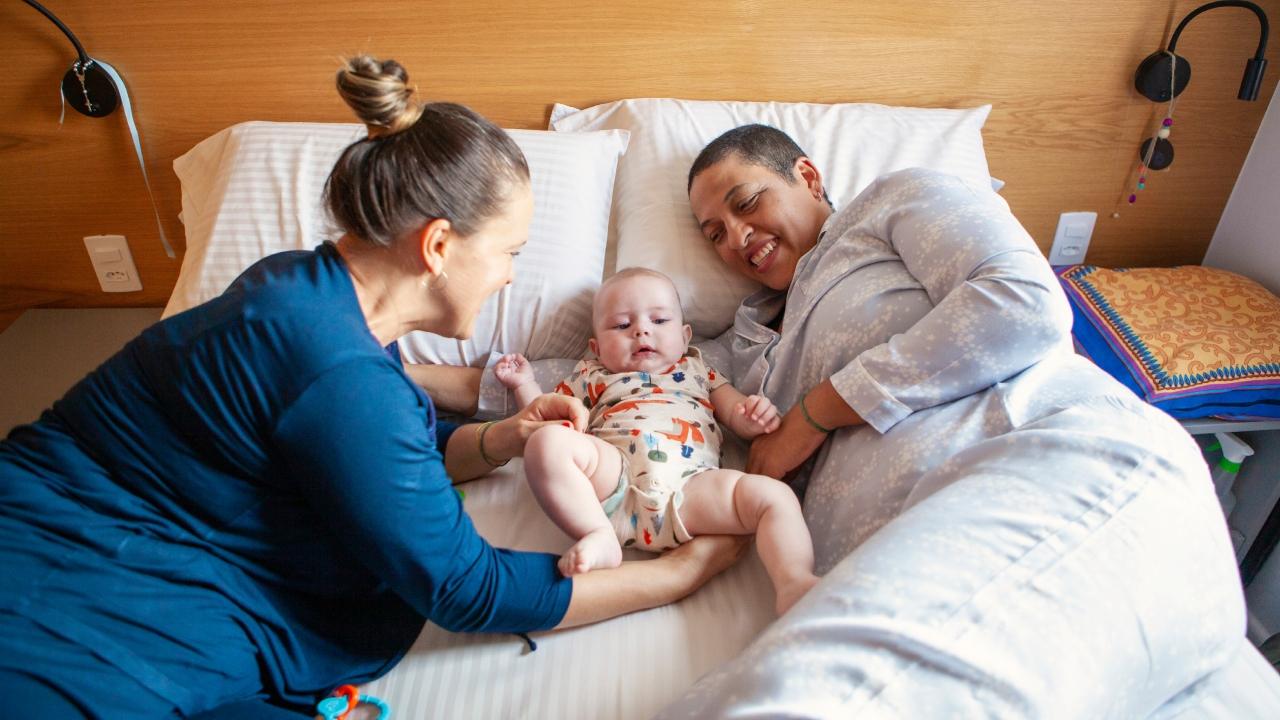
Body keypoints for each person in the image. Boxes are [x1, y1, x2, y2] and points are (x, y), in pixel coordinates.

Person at [0, 57, 741, 720]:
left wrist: (500, 439)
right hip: (85, 602)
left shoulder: (300, 283)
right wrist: (679, 576)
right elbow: (469, 590)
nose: (512, 274)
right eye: (508, 252)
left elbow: (362, 457)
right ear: (439, 246)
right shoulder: (341, 375)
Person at [420, 124, 1245, 717]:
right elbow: (597, 378)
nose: (737, 238)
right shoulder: (737, 346)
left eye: (749, 204)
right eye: (714, 233)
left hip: (1043, 460)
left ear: (809, 177)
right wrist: (390, 366)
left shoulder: (896, 203)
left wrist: (816, 411)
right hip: (903, 557)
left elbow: (1024, 306)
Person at [494, 268, 819, 614]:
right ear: (596, 347)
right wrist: (523, 384)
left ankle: (793, 581)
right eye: (621, 326)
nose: (641, 330)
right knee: (546, 444)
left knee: (774, 496)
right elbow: (544, 415)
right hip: (614, 482)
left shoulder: (700, 370)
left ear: (684, 336)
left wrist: (754, 415)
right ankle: (598, 534)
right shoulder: (590, 375)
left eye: (659, 320)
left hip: (691, 488)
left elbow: (736, 412)